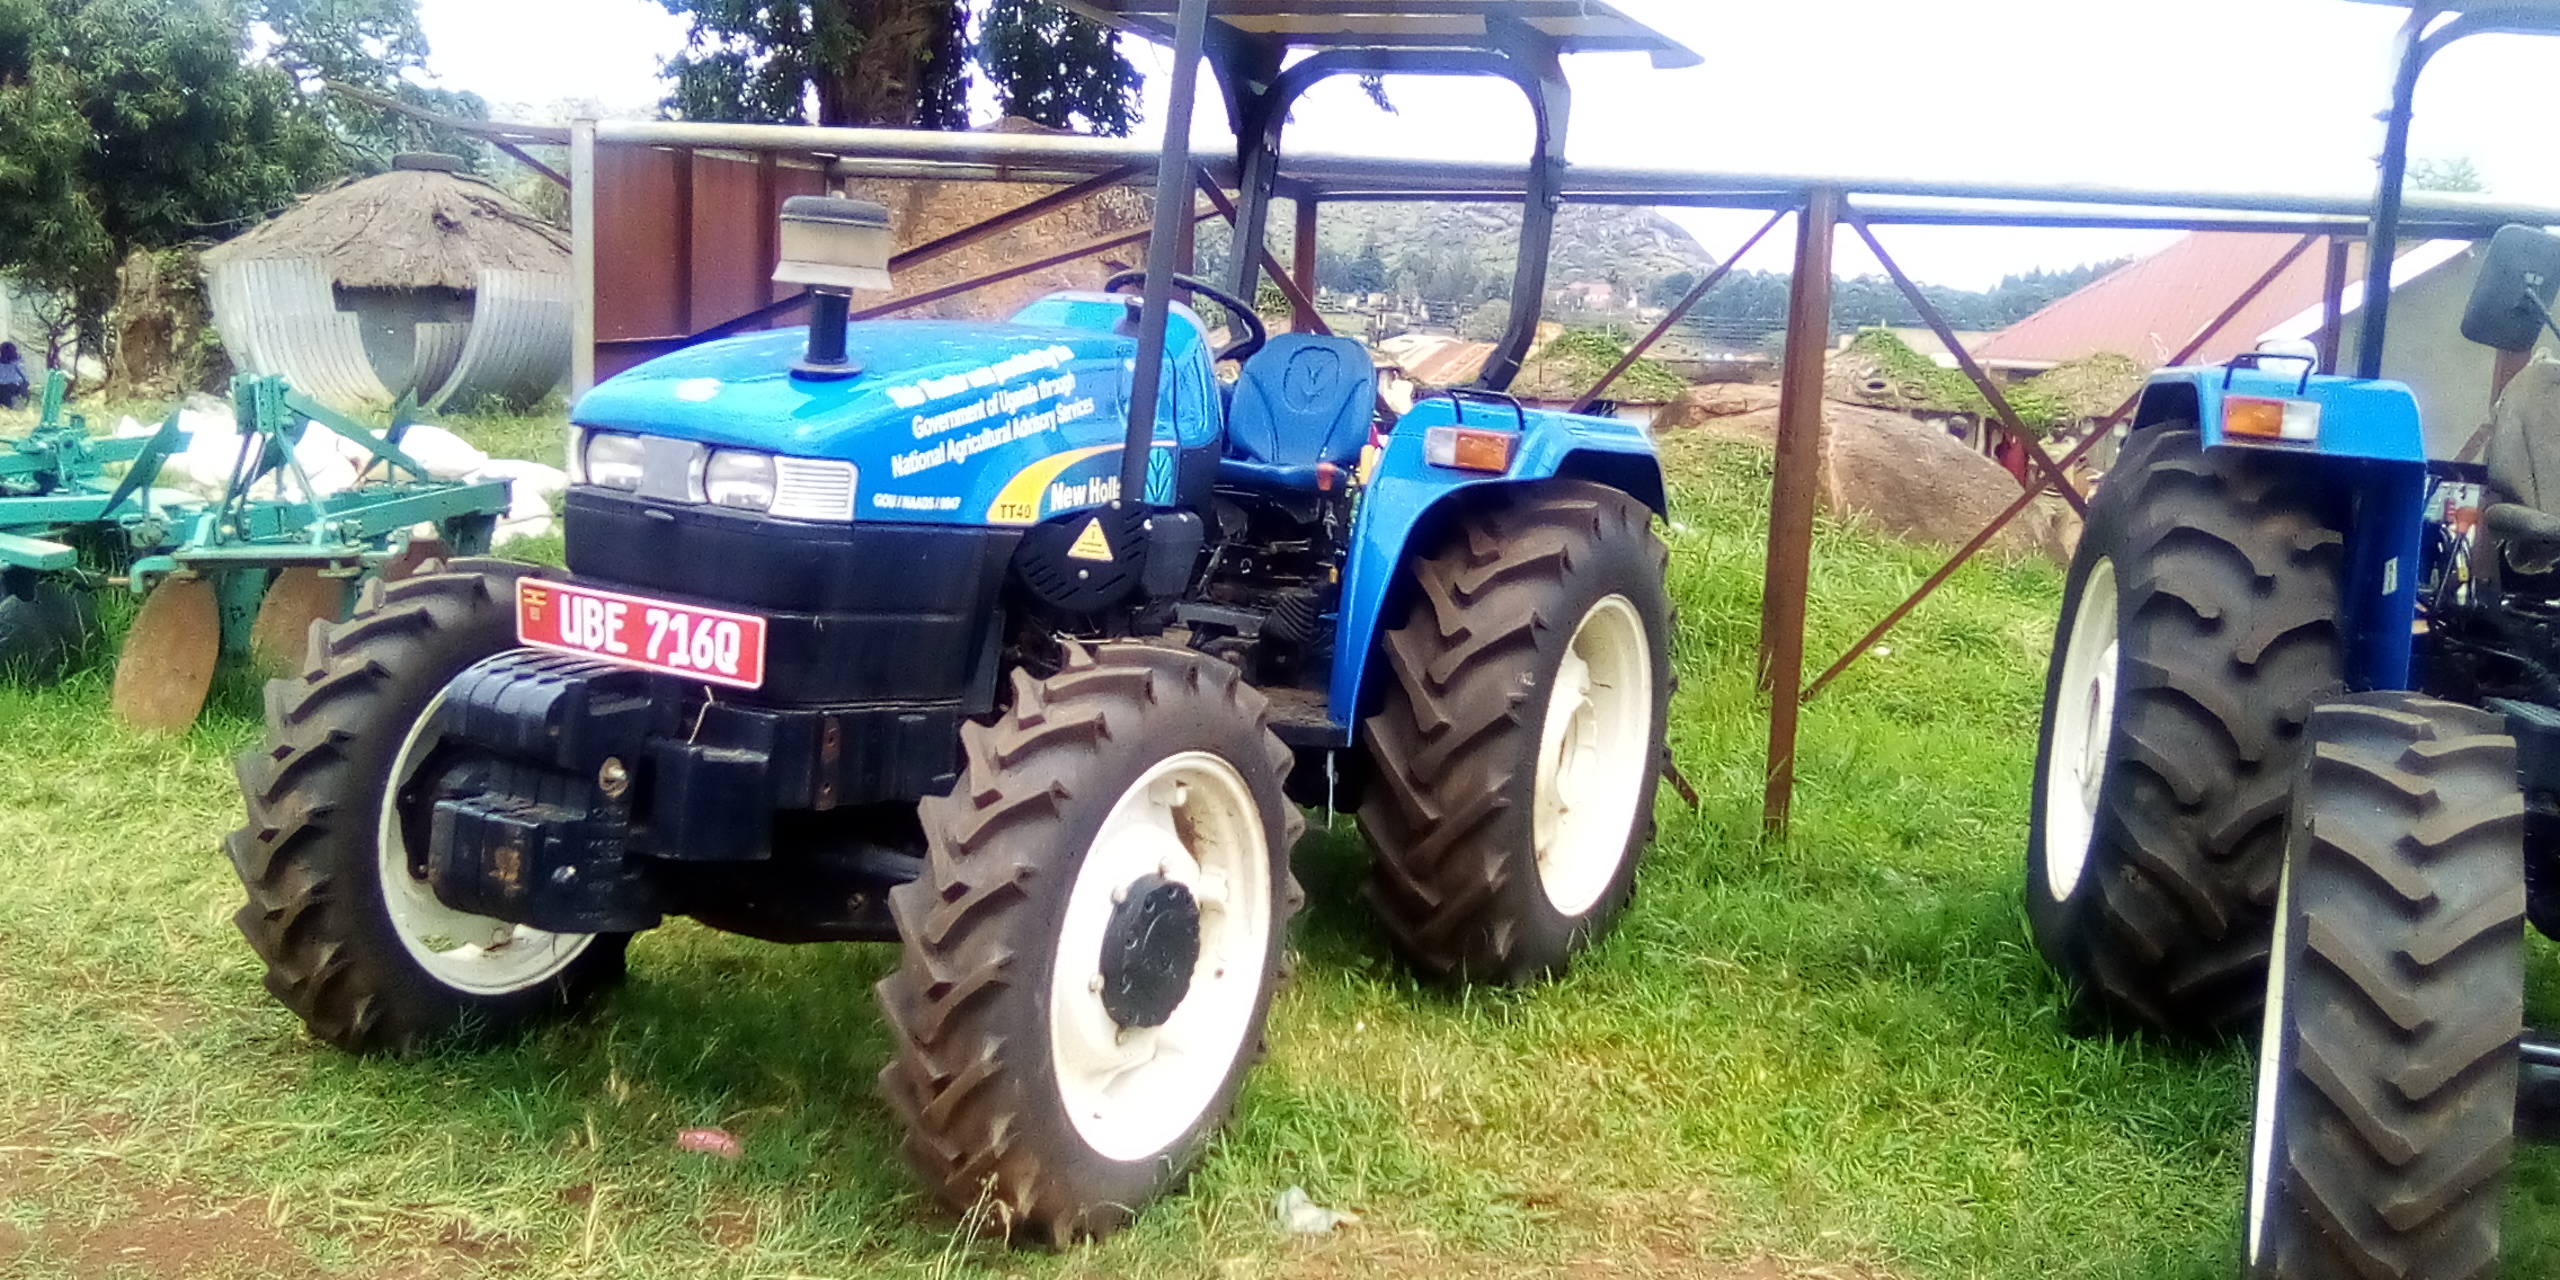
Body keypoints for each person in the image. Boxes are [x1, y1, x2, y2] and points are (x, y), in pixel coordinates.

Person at [0, 343, 27, 410]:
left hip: (13, 389)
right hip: (9, 389)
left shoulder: (16, 363)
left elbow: (25, 379)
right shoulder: (17, 363)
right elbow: (25, 378)